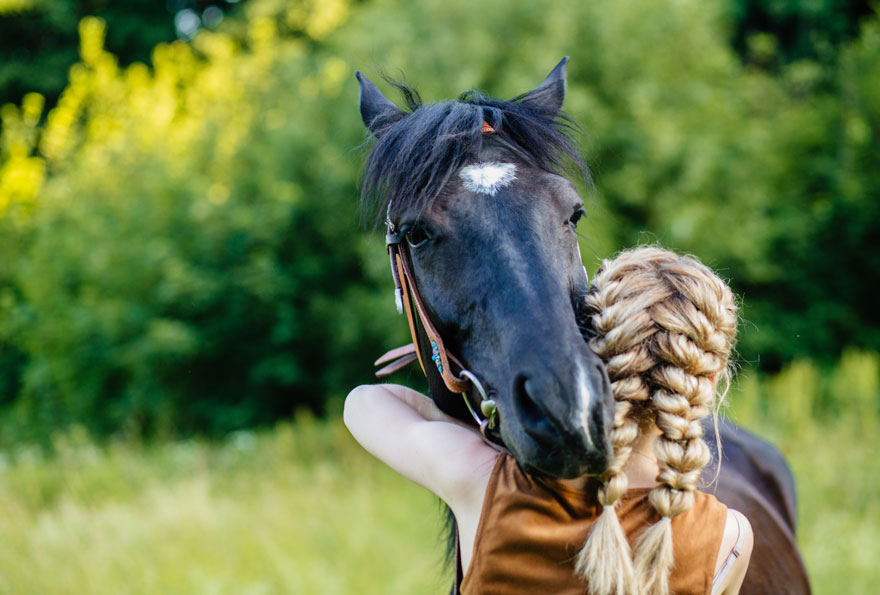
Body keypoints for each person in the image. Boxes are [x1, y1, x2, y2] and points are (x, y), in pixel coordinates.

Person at [344, 246, 753, 594]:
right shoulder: (729, 536)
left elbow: (365, 402)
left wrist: (478, 429)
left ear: (587, 352)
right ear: (709, 380)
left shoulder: (482, 481)